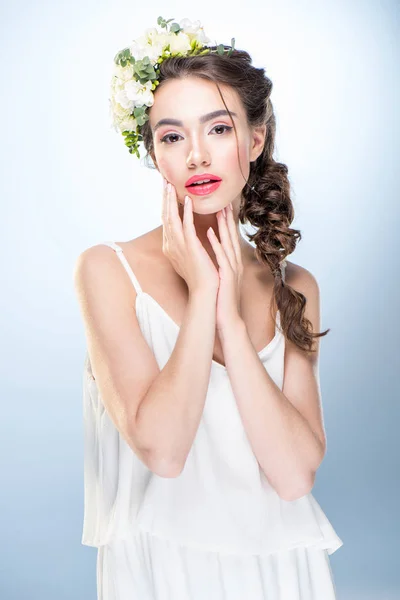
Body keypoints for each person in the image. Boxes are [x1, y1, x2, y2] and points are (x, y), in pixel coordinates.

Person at [74, 16, 343, 600]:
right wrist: (201, 296)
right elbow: (164, 452)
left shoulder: (295, 284)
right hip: (158, 572)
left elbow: (296, 477)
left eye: (217, 129)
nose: (197, 155)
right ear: (156, 155)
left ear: (254, 139)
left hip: (282, 572)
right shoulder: (106, 270)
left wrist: (231, 323)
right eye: (172, 137)